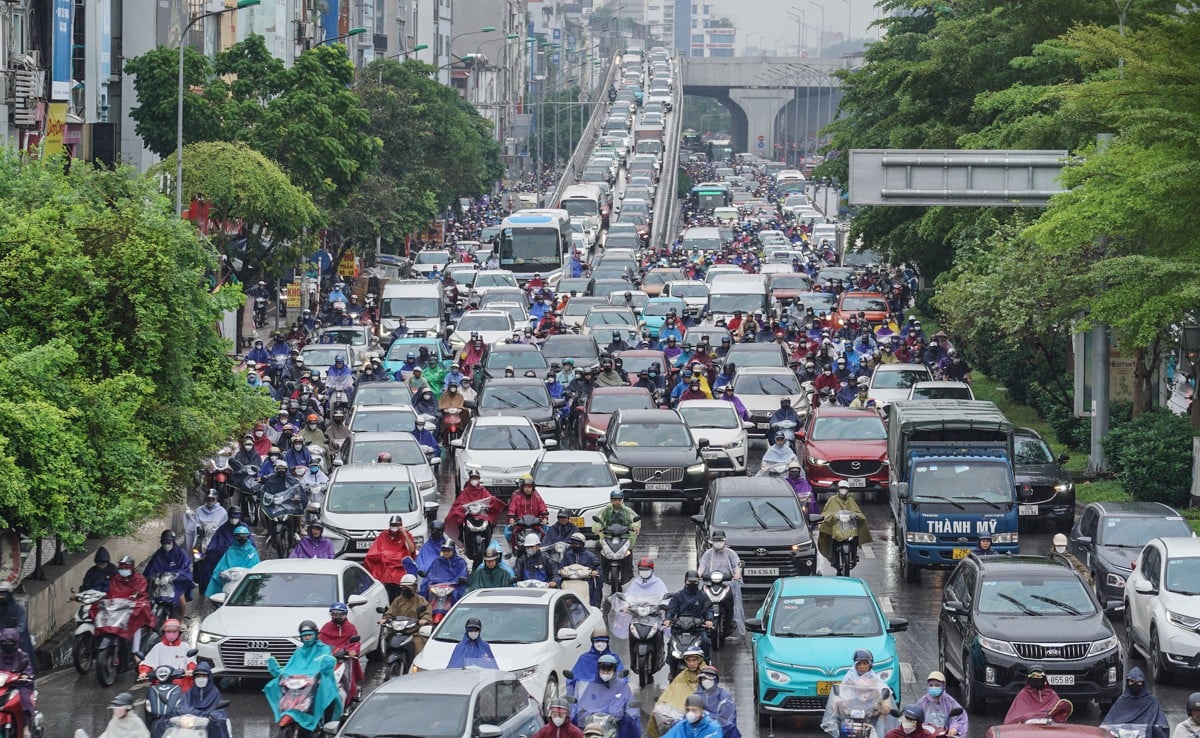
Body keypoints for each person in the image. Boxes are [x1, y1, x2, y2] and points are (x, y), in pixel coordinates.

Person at [263, 621, 342, 733]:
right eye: (304, 636)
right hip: (304, 685)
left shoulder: (324, 649)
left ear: (316, 635)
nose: (307, 638)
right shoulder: (299, 651)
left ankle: (327, 727)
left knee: (328, 698)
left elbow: (326, 664)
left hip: (321, 683)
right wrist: (281, 673)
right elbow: (290, 667)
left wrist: (325, 668)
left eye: (310, 635)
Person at [571, 654, 641, 738]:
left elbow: (631, 709)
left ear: (614, 671)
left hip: (617, 727)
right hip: (594, 726)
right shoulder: (592, 686)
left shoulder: (623, 686)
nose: (606, 673)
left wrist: (620, 716)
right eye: (603, 670)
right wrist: (590, 716)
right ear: (598, 670)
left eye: (609, 671)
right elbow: (582, 708)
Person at [649, 648, 708, 738]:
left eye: (694, 660)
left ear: (699, 660)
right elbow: (671, 692)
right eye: (689, 660)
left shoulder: (707, 674)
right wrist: (661, 702)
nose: (691, 663)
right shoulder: (682, 676)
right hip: (682, 709)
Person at [696, 530, 745, 638]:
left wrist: (737, 574)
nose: (718, 542)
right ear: (712, 541)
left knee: (733, 600)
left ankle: (732, 619)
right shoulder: (708, 554)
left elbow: (737, 565)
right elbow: (702, 566)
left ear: (724, 541)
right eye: (716, 540)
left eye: (720, 540)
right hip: (710, 582)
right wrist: (698, 574)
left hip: (727, 583)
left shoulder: (731, 553)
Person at [106, 556, 156, 655]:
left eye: (126, 568)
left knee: (136, 624)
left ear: (131, 568)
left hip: (135, 606)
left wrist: (134, 601)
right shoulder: (116, 579)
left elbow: (141, 593)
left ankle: (136, 651)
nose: (123, 570)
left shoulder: (139, 579)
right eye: (121, 568)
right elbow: (111, 592)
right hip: (119, 607)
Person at [592, 490, 641, 592]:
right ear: (611, 500)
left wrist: (635, 527)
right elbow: (598, 520)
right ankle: (602, 570)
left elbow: (634, 520)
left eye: (619, 499)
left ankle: (629, 569)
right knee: (602, 551)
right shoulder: (606, 511)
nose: (617, 502)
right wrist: (597, 527)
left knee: (628, 552)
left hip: (624, 535)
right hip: (608, 535)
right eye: (615, 499)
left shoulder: (627, 511)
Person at [817, 481, 873, 567]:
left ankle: (854, 555)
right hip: (836, 526)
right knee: (831, 537)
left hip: (849, 526)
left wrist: (853, 515)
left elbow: (857, 512)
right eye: (842, 488)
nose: (843, 490)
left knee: (855, 536)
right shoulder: (832, 500)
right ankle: (832, 557)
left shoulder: (850, 500)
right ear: (838, 489)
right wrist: (834, 516)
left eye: (845, 489)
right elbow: (826, 513)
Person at [1102, 667, 1168, 738]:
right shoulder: (1122, 701)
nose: (1135, 684)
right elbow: (1108, 723)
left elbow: (1161, 725)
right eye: (1131, 682)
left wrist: (1151, 729)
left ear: (1143, 683)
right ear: (1127, 683)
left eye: (1138, 682)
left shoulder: (1151, 702)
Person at [168, 662, 230, 738]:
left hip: (207, 720)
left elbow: (219, 710)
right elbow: (183, 705)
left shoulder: (214, 693)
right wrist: (176, 711)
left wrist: (213, 715)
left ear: (209, 677)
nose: (200, 678)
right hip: (192, 720)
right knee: (162, 721)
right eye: (198, 676)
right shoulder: (190, 692)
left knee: (219, 723)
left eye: (203, 676)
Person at [363, 514, 418, 600]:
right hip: (386, 565)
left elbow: (411, 550)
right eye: (393, 525)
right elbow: (374, 551)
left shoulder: (406, 535)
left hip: (400, 566)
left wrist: (405, 535)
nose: (394, 527)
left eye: (396, 525)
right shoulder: (384, 535)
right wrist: (384, 556)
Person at [664, 571, 714, 662]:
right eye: (690, 582)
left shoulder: (703, 596)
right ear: (685, 581)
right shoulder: (678, 596)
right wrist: (668, 619)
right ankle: (671, 665)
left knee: (706, 642)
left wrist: (709, 620)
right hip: (680, 628)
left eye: (694, 582)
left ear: (698, 582)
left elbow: (709, 609)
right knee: (671, 643)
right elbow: (671, 609)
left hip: (698, 628)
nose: (692, 584)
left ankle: (706, 664)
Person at [142, 530, 194, 619]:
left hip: (177, 581)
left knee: (181, 598)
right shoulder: (159, 554)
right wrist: (147, 578)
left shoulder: (180, 553)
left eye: (168, 542)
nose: (166, 545)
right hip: (161, 581)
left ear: (173, 541)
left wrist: (176, 575)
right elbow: (151, 567)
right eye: (163, 542)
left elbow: (185, 567)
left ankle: (181, 620)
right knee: (149, 596)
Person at [318, 603, 362, 705]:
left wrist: (352, 651)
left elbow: (355, 643)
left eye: (340, 614)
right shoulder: (326, 627)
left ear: (345, 614)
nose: (337, 617)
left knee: (347, 676)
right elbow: (320, 641)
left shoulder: (351, 627)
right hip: (328, 657)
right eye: (335, 614)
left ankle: (350, 697)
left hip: (344, 657)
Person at [195, 507, 243, 597]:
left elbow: (250, 546)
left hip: (241, 559)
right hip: (224, 559)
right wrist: (208, 553)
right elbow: (214, 544)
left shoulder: (243, 529)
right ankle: (208, 590)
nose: (234, 519)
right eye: (232, 517)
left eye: (236, 517)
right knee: (207, 566)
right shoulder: (223, 529)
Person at [380, 574, 431, 655]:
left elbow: (426, 613)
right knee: (386, 643)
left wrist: (424, 620)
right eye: (403, 588)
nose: (405, 590)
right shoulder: (397, 600)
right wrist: (385, 619)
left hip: (414, 632)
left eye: (408, 588)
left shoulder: (420, 600)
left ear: (414, 587)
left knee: (418, 648)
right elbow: (390, 612)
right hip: (397, 631)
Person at [137, 619, 195, 687]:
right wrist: (144, 672)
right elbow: (147, 663)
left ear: (179, 632)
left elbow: (191, 662)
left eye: (174, 631)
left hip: (180, 684)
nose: (171, 633)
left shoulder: (185, 646)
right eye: (168, 631)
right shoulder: (158, 647)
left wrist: (190, 670)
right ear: (164, 632)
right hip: (159, 682)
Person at [1003, 666, 1072, 724]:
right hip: (1029, 725)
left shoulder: (1051, 693)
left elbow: (1056, 711)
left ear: (1044, 678)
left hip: (1047, 724)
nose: (1037, 678)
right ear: (1029, 679)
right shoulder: (1023, 693)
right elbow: (1015, 716)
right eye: (1034, 676)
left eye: (1039, 676)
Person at [205, 525, 259, 599]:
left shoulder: (252, 551)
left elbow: (254, 568)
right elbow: (221, 566)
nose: (242, 539)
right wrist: (222, 573)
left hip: (246, 581)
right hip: (230, 581)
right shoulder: (230, 550)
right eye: (239, 536)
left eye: (244, 536)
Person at [0, 629, 34, 732]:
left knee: (23, 697)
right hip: (4, 685)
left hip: (20, 684)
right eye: (4, 642)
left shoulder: (22, 656)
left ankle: (25, 727)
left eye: (10, 642)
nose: (7, 645)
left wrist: (25, 675)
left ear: (16, 642)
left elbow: (28, 668)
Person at [916, 672, 968, 737]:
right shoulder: (923, 702)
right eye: (931, 685)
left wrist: (954, 728)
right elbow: (915, 716)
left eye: (937, 685)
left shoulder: (949, 702)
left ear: (944, 685)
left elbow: (959, 718)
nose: (934, 687)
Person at [560, 532, 602, 607]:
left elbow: (598, 567)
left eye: (576, 543)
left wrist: (596, 571)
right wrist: (560, 571)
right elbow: (561, 566)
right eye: (572, 543)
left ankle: (593, 606)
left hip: (586, 581)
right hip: (570, 581)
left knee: (595, 588)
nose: (574, 545)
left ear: (582, 544)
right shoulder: (567, 555)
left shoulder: (590, 555)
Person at [0, 583, 33, 665]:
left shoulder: (18, 608)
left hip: (16, 641)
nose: (1, 596)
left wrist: (10, 635)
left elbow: (21, 625)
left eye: (4, 593)